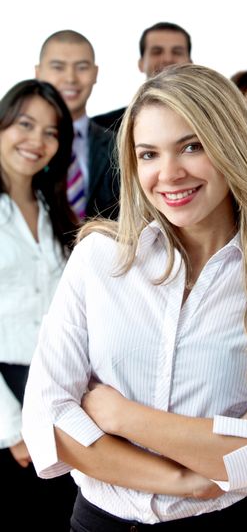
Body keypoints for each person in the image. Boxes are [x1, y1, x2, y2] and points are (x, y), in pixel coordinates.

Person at [22, 63, 247, 531]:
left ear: (231, 146)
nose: (168, 174)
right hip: (98, 522)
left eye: (191, 146)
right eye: (148, 154)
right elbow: (47, 419)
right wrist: (188, 477)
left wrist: (119, 416)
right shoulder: (99, 259)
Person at [0, 79, 78, 528]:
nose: (37, 141)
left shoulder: (53, 209)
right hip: (6, 397)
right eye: (25, 124)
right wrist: (13, 430)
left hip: (50, 390)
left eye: (51, 132)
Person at [36, 29, 119, 220]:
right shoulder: (17, 144)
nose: (71, 78)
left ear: (95, 73)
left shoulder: (118, 144)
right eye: (58, 67)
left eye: (81, 67)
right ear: (38, 72)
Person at [92, 22, 192, 132]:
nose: (167, 59)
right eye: (157, 52)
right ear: (141, 64)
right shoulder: (102, 127)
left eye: (177, 52)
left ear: (190, 63)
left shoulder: (211, 117)